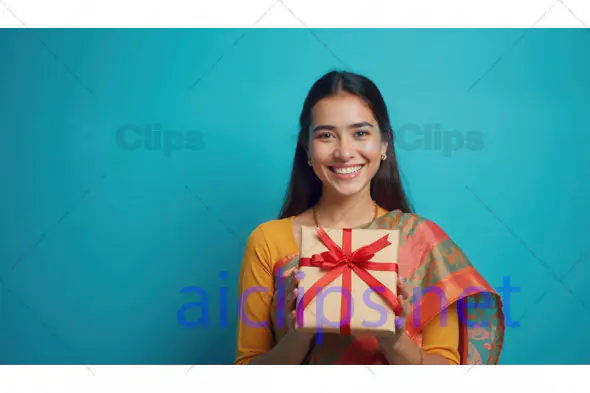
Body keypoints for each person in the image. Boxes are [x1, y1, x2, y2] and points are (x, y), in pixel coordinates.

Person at [234, 70, 504, 365]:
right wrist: (298, 335)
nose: (344, 151)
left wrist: (393, 338)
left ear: (384, 143)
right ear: (306, 148)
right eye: (326, 135)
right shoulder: (268, 241)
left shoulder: (420, 240)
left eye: (360, 133)